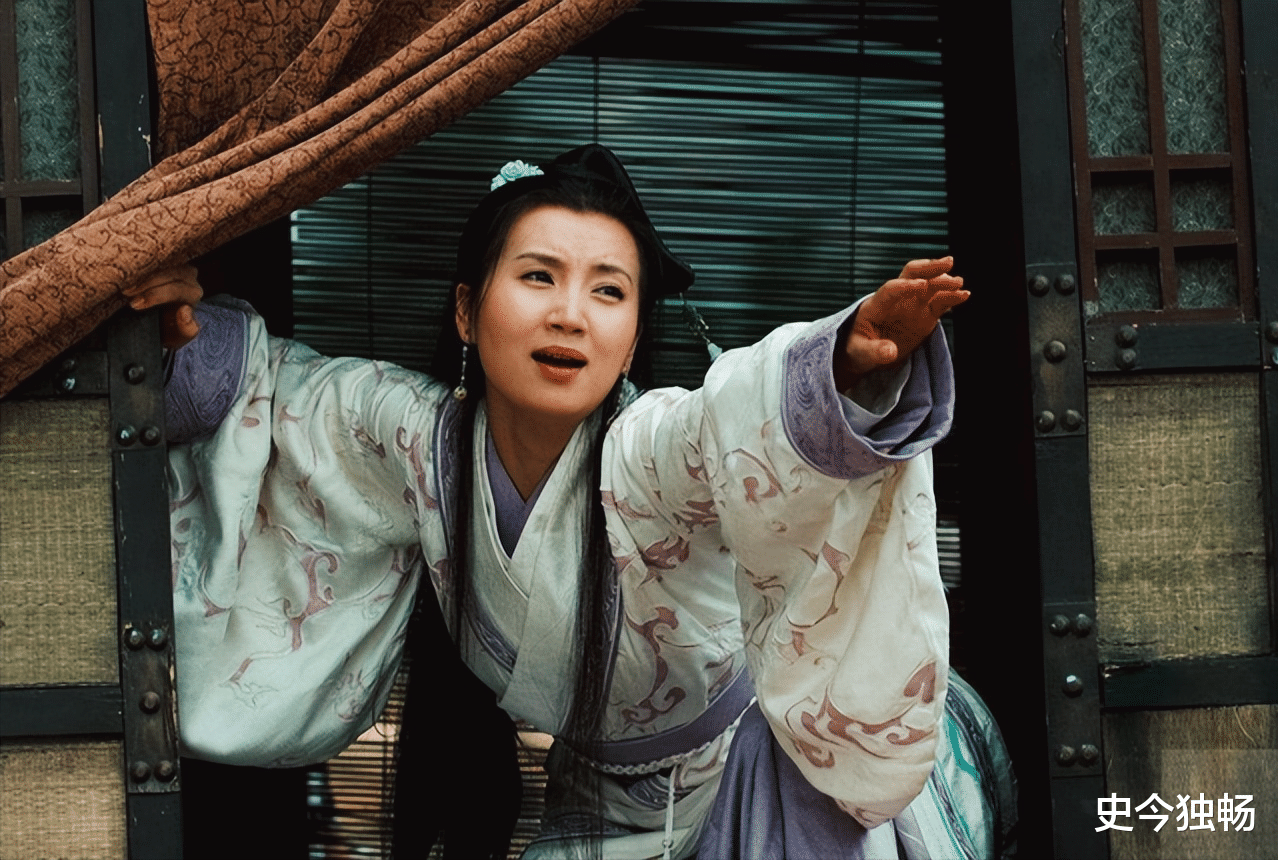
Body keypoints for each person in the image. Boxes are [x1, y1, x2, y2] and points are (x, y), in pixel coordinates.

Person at [133, 144, 1014, 859]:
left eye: (608, 291)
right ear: (467, 311)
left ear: (632, 337)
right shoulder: (414, 441)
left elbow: (728, 419)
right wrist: (162, 343)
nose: (570, 315)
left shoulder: (647, 453)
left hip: (758, 783)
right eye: (538, 277)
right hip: (600, 809)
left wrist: (843, 365)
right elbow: (272, 393)